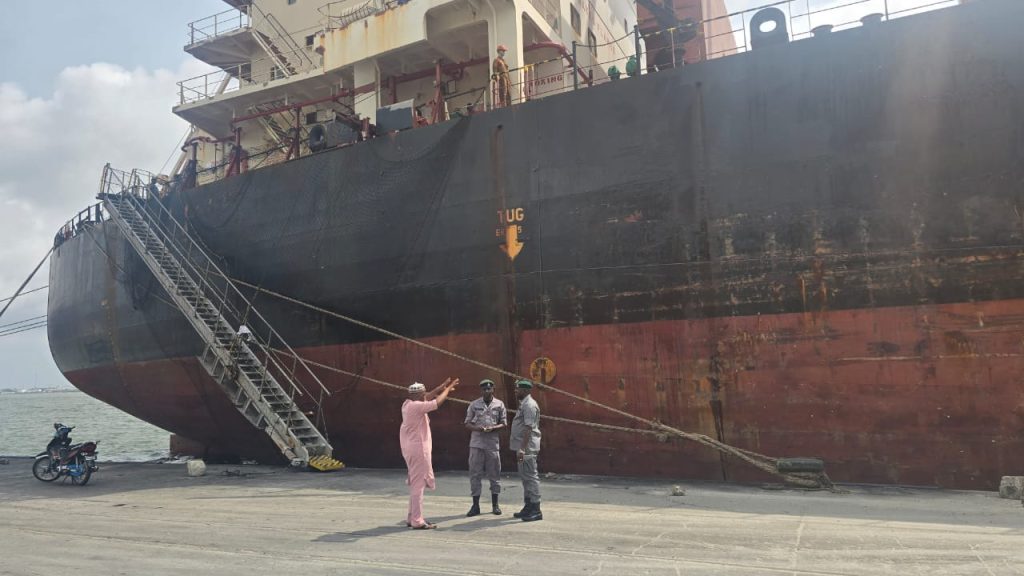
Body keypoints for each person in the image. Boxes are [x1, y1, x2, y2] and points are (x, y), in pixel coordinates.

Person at [400, 378, 459, 529]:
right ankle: (417, 520)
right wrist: (447, 390)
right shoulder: (417, 407)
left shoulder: (407, 404)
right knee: (418, 485)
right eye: (423, 393)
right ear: (420, 395)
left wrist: (439, 388)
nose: (425, 395)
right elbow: (436, 403)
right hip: (418, 449)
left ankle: (411, 517)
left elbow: (426, 398)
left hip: (410, 448)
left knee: (415, 483)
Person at [464, 379, 507, 516]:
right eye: (484, 389)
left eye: (489, 389)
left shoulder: (499, 404)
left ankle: (495, 505)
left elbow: (504, 423)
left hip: (492, 444)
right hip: (477, 444)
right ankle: (475, 506)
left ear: (493, 389)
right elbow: (467, 423)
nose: (487, 391)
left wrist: (493, 428)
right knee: (475, 474)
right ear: (481, 390)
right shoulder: (474, 404)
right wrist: (479, 428)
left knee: (494, 474)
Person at [509, 379, 542, 522]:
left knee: (531, 477)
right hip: (523, 447)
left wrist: (522, 448)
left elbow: (528, 428)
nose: (515, 391)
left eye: (518, 389)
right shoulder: (524, 404)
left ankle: (536, 509)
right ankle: (528, 507)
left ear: (526, 390)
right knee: (525, 477)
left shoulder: (529, 405)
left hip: (527, 448)